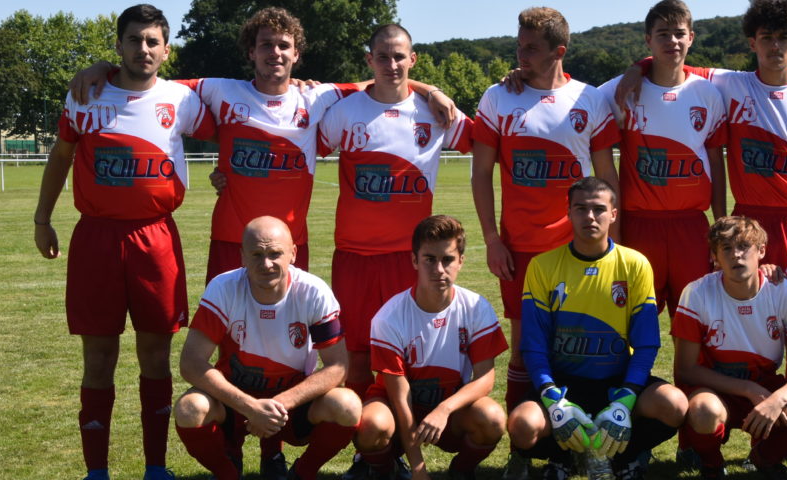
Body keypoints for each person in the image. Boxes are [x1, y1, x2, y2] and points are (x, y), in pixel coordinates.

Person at [67, 7, 457, 280]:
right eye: (266, 45)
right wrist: (106, 68)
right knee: (227, 338)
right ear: (251, 52)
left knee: (289, 343)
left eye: (284, 45)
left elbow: (386, 80)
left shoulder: (318, 97)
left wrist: (431, 90)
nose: (275, 52)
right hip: (230, 241)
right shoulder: (219, 91)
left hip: (291, 244)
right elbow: (148, 82)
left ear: (296, 54)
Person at [32, 5, 214, 480]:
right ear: (118, 46)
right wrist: (42, 218)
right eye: (134, 40)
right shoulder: (86, 94)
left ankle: (156, 467)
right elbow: (62, 155)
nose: (143, 49)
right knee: (98, 358)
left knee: (155, 356)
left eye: (153, 42)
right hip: (97, 238)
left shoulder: (183, 99)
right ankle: (97, 471)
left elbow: (243, 118)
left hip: (155, 239)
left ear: (167, 51)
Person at [616, 0, 787, 269]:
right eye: (766, 37)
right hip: (748, 221)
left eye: (784, 38)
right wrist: (639, 67)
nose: (775, 46)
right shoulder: (730, 84)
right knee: (746, 294)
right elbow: (673, 63)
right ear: (752, 43)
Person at [471, 6, 622, 414]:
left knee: (578, 340)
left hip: (579, 246)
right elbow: (480, 174)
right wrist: (492, 239)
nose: (521, 55)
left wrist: (615, 244)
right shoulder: (499, 97)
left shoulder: (589, 99)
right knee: (524, 345)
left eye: (532, 48)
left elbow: (607, 176)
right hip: (519, 247)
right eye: (519, 46)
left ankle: (576, 428)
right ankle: (522, 435)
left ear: (559, 51)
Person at [317, 23, 473, 400]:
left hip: (410, 257)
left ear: (412, 59)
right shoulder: (345, 112)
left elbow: (487, 144)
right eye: (383, 57)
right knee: (356, 355)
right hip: (355, 256)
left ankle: (406, 431)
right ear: (369, 60)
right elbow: (299, 152)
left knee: (409, 353)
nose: (392, 64)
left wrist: (433, 91)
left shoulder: (435, 113)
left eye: (399, 56)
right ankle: (363, 435)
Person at [508, 177, 685, 480]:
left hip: (617, 380)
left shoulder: (635, 264)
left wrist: (625, 400)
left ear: (613, 214)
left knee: (674, 405)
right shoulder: (542, 266)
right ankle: (564, 457)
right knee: (522, 426)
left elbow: (646, 344)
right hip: (563, 382)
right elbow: (533, 346)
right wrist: (552, 398)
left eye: (599, 209)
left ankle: (624, 456)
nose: (590, 216)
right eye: (581, 208)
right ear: (569, 213)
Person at [173, 216, 360, 480]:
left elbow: (338, 367)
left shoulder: (314, 292)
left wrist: (277, 405)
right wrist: (251, 407)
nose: (266, 264)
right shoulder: (224, 288)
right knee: (189, 409)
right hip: (235, 402)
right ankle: (228, 473)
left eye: (275, 254)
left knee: (348, 405)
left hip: (291, 405)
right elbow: (191, 363)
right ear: (242, 256)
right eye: (257, 254)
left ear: (293, 253)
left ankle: (302, 473)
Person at [672, 216, 787, 479]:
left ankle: (766, 456)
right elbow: (685, 369)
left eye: (744, 246)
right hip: (717, 389)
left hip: (768, 387)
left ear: (762, 251)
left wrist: (778, 400)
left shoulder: (785, 292)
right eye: (727, 248)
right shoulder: (697, 293)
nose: (736, 255)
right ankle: (712, 464)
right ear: (714, 257)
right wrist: (748, 389)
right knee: (704, 410)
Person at [596, 0, 727, 314]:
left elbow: (716, 162)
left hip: (691, 226)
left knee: (694, 319)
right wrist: (523, 76)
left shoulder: (708, 92)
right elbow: (568, 97)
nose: (673, 41)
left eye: (679, 33)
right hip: (640, 224)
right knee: (636, 318)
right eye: (663, 34)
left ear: (691, 38)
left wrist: (721, 224)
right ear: (648, 40)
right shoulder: (617, 92)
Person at [354, 215, 509, 480]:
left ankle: (461, 471)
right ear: (414, 260)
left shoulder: (476, 308)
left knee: (492, 418)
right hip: (397, 411)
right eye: (429, 259)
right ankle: (386, 470)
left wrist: (444, 409)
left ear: (461, 261)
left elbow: (485, 379)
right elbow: (401, 399)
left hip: (450, 411)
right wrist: (419, 468)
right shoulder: (389, 317)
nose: (439, 269)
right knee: (371, 425)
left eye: (447, 259)